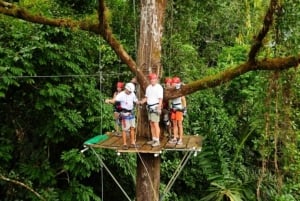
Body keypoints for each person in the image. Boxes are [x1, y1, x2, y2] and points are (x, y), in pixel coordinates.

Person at [105, 83, 140, 150]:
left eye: (130, 92)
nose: (130, 92)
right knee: (125, 129)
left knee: (132, 128)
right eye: (129, 91)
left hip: (131, 113)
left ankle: (133, 143)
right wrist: (109, 101)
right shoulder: (121, 95)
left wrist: (140, 102)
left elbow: (136, 101)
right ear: (126, 89)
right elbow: (114, 100)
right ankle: (124, 144)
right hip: (124, 113)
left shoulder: (132, 93)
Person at [139, 73, 164, 147]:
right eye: (151, 79)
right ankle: (154, 138)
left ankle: (157, 140)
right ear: (150, 80)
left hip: (155, 107)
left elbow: (160, 99)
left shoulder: (159, 87)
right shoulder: (148, 87)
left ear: (156, 79)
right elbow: (147, 98)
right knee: (151, 124)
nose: (152, 80)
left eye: (154, 79)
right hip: (149, 107)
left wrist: (159, 107)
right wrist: (141, 102)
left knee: (155, 124)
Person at [168, 76, 186, 145]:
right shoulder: (172, 90)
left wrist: (184, 109)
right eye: (172, 83)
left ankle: (180, 139)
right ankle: (175, 138)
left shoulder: (179, 90)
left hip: (179, 109)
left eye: (174, 83)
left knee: (179, 124)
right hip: (173, 108)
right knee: (174, 124)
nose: (173, 84)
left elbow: (183, 99)